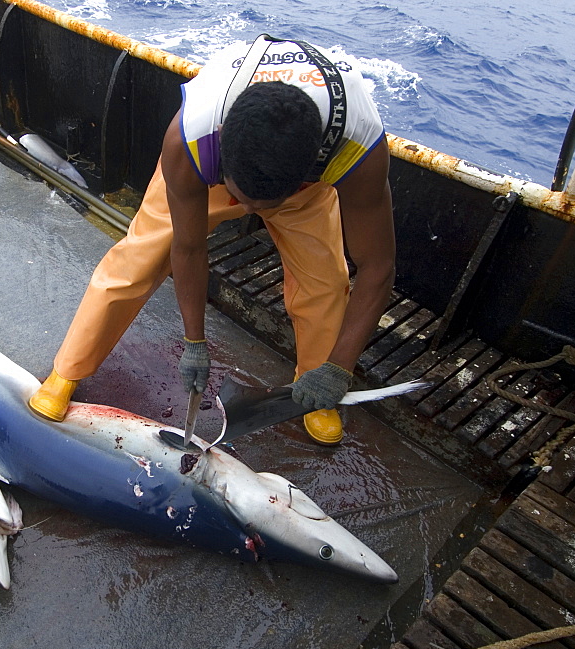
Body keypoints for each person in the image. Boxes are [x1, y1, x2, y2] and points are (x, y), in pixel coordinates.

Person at [28, 35, 395, 444]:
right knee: (142, 254)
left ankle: (316, 386)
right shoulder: (190, 138)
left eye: (259, 205)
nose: (247, 210)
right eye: (239, 197)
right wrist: (194, 341)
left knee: (326, 281)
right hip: (228, 171)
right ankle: (69, 368)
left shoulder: (358, 145)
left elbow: (378, 268)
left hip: (300, 190)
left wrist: (340, 367)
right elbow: (187, 247)